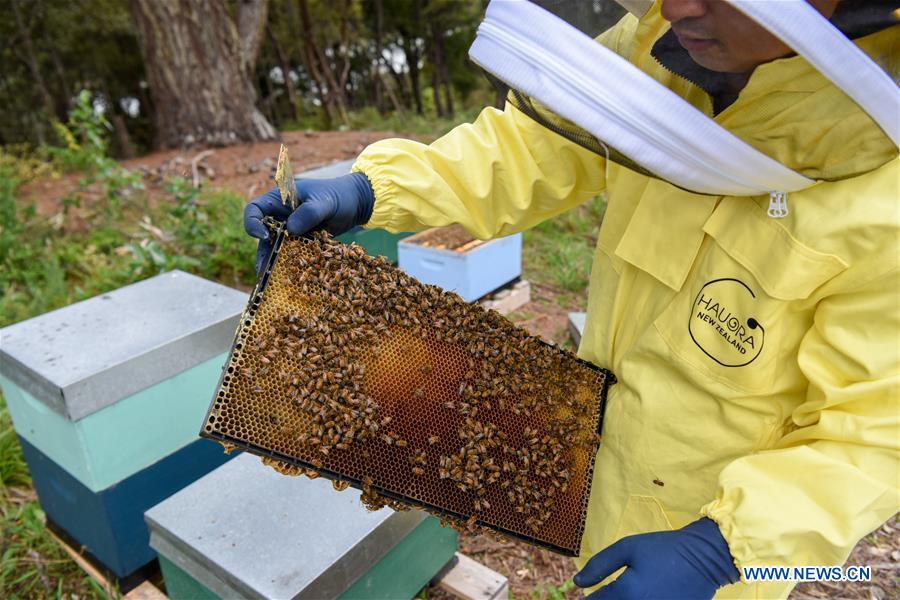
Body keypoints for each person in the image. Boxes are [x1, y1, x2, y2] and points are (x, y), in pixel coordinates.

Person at [244, 1, 899, 598]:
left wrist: (728, 551)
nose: (678, 7)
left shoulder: (883, 187)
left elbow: (872, 436)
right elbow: (533, 146)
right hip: (591, 461)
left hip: (710, 556)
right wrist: (371, 188)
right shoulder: (657, 47)